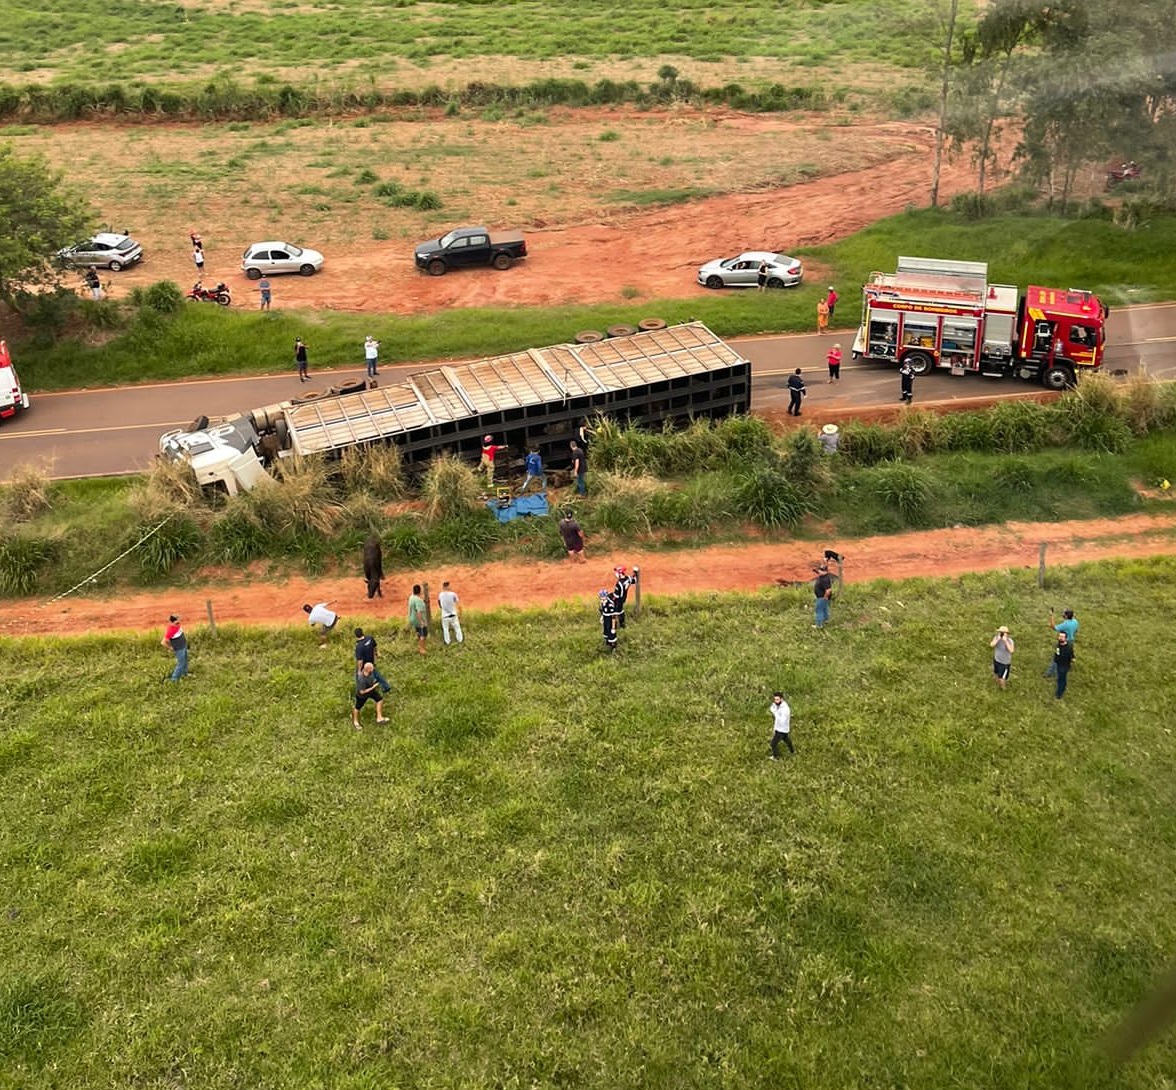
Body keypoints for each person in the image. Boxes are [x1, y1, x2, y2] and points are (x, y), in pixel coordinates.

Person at [352, 662, 390, 730]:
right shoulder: (362, 679)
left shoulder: (371, 672)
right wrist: (373, 687)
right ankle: (355, 722)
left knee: (379, 700)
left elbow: (373, 679)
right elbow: (362, 692)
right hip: (362, 696)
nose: (373, 669)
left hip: (371, 691)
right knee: (357, 708)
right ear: (368, 669)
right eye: (372, 668)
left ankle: (379, 718)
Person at [353, 627, 391, 693]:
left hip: (365, 664)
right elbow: (375, 647)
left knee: (358, 676)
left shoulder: (359, 647)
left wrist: (359, 670)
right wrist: (377, 654)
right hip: (371, 661)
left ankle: (360, 690)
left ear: (356, 635)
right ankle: (386, 686)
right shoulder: (370, 638)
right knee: (375, 673)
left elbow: (360, 661)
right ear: (362, 632)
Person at [1044, 608, 1078, 677]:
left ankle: (1049, 673)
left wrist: (1051, 616)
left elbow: (1053, 627)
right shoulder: (1075, 621)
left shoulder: (1065, 625)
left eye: (1064, 613)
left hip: (1064, 643)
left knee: (1056, 658)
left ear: (1066, 616)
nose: (1062, 614)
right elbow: (1076, 630)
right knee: (1068, 655)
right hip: (1071, 641)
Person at [161, 613, 189, 680]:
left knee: (185, 661)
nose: (179, 624)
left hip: (183, 646)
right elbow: (163, 642)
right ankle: (174, 679)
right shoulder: (171, 630)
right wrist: (170, 648)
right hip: (179, 649)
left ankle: (185, 674)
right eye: (177, 623)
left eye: (179, 622)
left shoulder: (177, 625)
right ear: (171, 622)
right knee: (181, 664)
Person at [768, 691, 794, 759]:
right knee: (786, 740)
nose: (776, 701)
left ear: (781, 699)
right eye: (775, 699)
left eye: (777, 699)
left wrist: (775, 713)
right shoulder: (777, 705)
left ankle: (776, 757)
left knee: (773, 744)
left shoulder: (785, 709)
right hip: (779, 727)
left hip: (782, 729)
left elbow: (782, 720)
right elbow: (772, 708)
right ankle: (792, 751)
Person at [437, 580, 464, 645]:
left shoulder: (440, 594)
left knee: (445, 629)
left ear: (443, 587)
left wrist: (442, 608)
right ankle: (460, 640)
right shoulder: (453, 594)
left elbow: (439, 602)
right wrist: (460, 613)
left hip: (445, 616)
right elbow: (458, 604)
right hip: (453, 614)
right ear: (448, 586)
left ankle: (447, 641)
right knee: (457, 628)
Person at [990, 625, 1015, 690]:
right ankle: (997, 682)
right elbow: (991, 645)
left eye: (1003, 633)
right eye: (1000, 632)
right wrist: (997, 639)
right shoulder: (996, 638)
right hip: (996, 660)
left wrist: (1005, 641)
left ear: (1007, 634)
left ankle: (1003, 689)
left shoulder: (1010, 641)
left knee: (1002, 678)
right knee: (996, 673)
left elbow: (1011, 650)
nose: (1001, 634)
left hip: (1004, 663)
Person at [1051, 631, 1074, 698]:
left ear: (1065, 638)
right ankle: (1061, 689)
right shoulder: (1059, 644)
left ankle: (1059, 694)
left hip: (1064, 666)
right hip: (1058, 664)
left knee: (1062, 679)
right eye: (1059, 636)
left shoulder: (1068, 648)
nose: (1060, 638)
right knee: (1059, 678)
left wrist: (1070, 662)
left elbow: (1072, 656)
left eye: (1062, 637)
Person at [407, 584, 428, 655]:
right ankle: (422, 649)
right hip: (418, 620)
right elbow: (419, 612)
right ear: (420, 591)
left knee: (419, 633)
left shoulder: (411, 597)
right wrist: (422, 621)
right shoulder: (419, 601)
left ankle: (419, 646)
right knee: (423, 635)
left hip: (412, 619)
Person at [362, 535, 384, 599]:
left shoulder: (374, 566)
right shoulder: (367, 570)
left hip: (373, 556)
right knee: (375, 574)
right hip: (370, 556)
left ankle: (378, 591)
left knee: (377, 568)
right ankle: (376, 592)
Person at [813, 563, 833, 628]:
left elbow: (828, 590)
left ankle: (819, 625)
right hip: (823, 597)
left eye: (822, 570)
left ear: (826, 571)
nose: (820, 571)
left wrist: (825, 597)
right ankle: (826, 620)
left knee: (818, 610)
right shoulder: (823, 575)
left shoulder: (825, 580)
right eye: (820, 570)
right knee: (824, 608)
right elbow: (819, 572)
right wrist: (815, 570)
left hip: (822, 597)